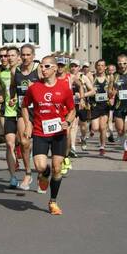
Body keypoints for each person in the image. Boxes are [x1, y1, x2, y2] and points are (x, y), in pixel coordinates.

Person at [21, 56, 75, 215]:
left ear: (54, 69)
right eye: (41, 67)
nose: (43, 69)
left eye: (46, 66)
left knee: (58, 168)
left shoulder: (64, 87)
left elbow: (72, 110)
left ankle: (53, 202)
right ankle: (44, 174)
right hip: (40, 131)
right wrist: (27, 123)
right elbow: (24, 106)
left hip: (58, 132)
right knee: (40, 166)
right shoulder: (34, 87)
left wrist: (68, 122)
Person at [10, 44, 42, 190]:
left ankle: (42, 174)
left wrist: (34, 87)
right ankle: (28, 173)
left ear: (33, 56)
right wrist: (12, 97)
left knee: (41, 144)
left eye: (28, 55)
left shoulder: (39, 69)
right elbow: (12, 87)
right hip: (23, 110)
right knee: (23, 141)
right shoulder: (15, 70)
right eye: (23, 55)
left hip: (40, 112)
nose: (25, 57)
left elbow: (48, 86)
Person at [0, 47, 21, 187]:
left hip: (21, 110)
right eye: (1, 56)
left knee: (22, 140)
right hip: (5, 110)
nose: (4, 58)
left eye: (7, 56)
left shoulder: (20, 70)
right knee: (9, 143)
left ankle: (20, 149)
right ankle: (13, 177)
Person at [91, 59, 110, 155]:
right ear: (95, 66)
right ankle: (92, 127)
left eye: (102, 65)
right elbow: (88, 88)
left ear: (105, 67)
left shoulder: (109, 78)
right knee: (95, 127)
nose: (100, 67)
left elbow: (113, 90)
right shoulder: (92, 78)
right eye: (98, 65)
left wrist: (112, 96)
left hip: (105, 106)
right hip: (95, 105)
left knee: (103, 127)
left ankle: (102, 146)